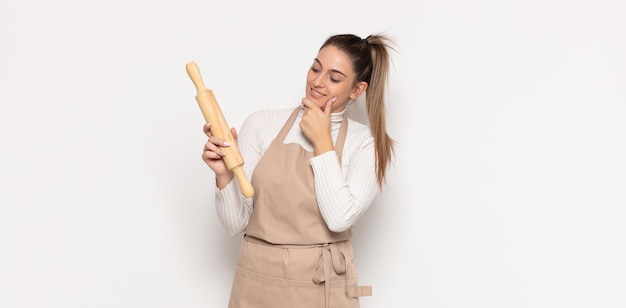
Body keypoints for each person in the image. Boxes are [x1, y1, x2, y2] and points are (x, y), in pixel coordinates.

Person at [201, 33, 395, 308]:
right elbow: (236, 224)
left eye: (334, 78)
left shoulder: (367, 144)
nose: (317, 81)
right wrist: (224, 175)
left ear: (357, 90)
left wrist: (323, 142)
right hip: (256, 279)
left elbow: (339, 219)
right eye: (316, 68)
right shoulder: (261, 124)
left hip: (321, 286)